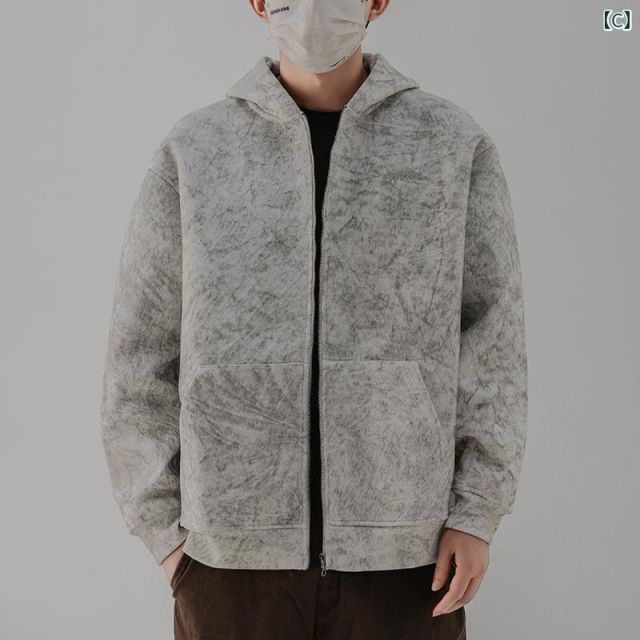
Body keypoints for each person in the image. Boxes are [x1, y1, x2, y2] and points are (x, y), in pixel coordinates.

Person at [99, 1, 528, 637]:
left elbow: (494, 341)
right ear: (258, 3)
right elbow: (139, 355)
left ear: (377, 2)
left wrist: (476, 512)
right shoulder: (194, 151)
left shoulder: (450, 146)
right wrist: (166, 538)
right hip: (228, 564)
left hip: (409, 557)